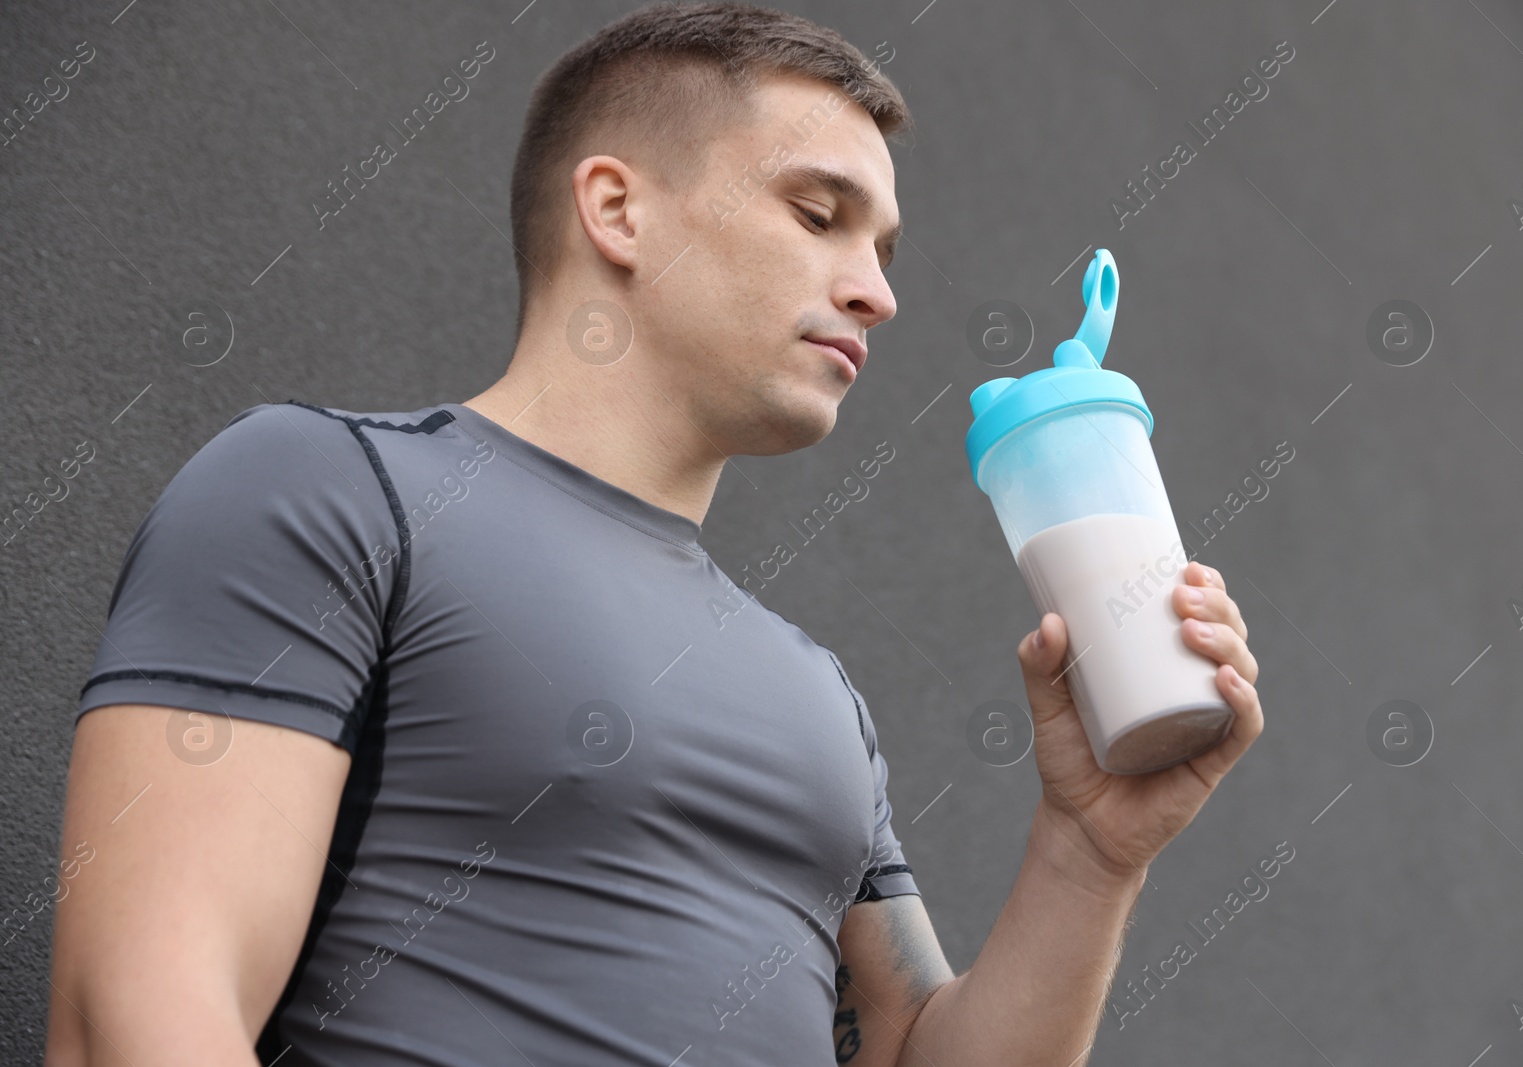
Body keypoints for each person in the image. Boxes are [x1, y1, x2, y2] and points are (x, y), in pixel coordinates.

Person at [44, 3, 1264, 1064]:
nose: (876, 290)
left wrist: (1090, 850)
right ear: (618, 209)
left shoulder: (816, 694)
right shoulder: (325, 491)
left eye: (882, 249)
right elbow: (136, 1022)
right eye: (817, 212)